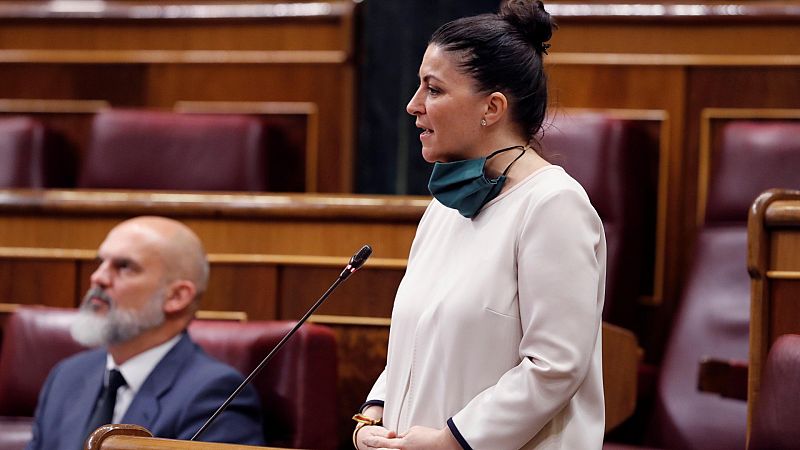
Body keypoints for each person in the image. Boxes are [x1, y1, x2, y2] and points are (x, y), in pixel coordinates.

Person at [353, 1, 606, 449]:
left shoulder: (553, 205)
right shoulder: (444, 207)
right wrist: (375, 413)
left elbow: (554, 366)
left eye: (433, 90)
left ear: (492, 107)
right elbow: (419, 343)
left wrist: (451, 442)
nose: (413, 105)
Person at [26, 216, 265, 449]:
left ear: (176, 296)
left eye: (124, 267)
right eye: (100, 262)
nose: (97, 277)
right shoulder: (67, 376)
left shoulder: (216, 395)